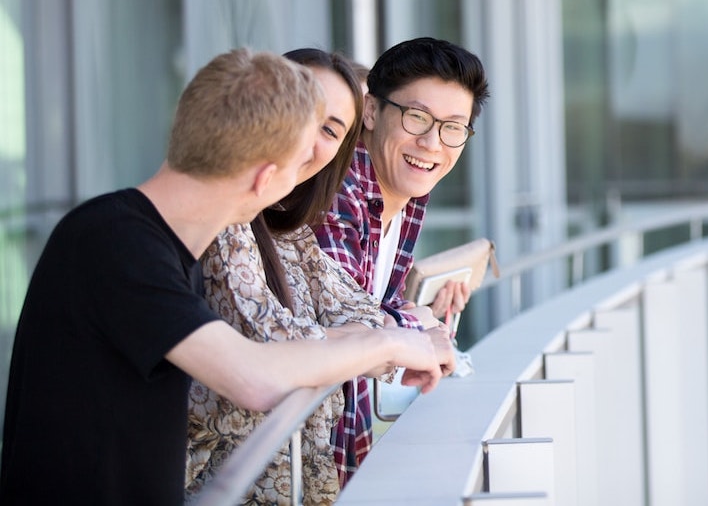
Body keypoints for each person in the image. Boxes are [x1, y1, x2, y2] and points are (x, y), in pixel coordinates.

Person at [0, 48, 454, 505]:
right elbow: (252, 376)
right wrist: (388, 342)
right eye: (301, 163)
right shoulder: (118, 243)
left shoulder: (136, 238)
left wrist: (380, 340)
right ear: (266, 178)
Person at [185, 49, 425, 503]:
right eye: (302, 112)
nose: (307, 136)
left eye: (332, 128)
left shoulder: (289, 231)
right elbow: (269, 353)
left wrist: (376, 336)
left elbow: (358, 310)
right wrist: (383, 343)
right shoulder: (222, 221)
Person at [314, 37, 490, 478]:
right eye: (417, 118)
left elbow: (366, 308)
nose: (433, 143)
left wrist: (416, 314)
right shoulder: (338, 192)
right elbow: (339, 325)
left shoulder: (404, 193)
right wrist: (416, 325)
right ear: (371, 111)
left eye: (453, 127)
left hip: (336, 456)